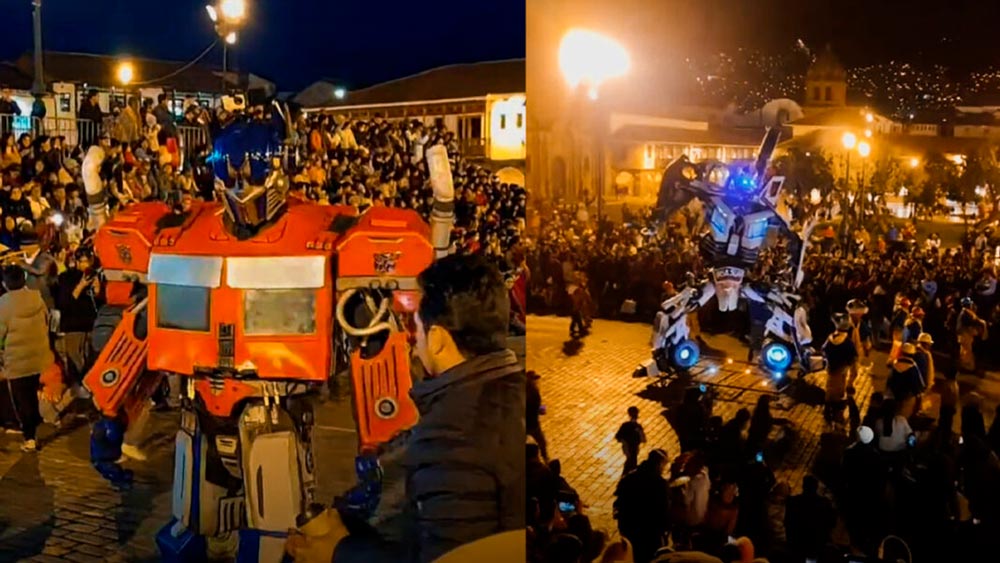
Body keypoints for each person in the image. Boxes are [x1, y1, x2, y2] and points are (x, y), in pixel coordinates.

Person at [287, 254, 525, 563]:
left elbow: (448, 557)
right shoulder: (517, 392)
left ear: (438, 339)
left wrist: (338, 552)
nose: (413, 339)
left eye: (416, 326)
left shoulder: (451, 437)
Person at [0, 264, 55, 451]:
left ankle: (30, 437)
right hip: (38, 356)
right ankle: (35, 423)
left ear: (5, 283)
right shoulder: (37, 297)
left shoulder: (3, 304)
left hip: (16, 361)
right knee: (32, 396)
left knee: (21, 400)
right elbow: (47, 321)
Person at [613, 449, 671, 563]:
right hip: (650, 532)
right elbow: (664, 509)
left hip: (630, 528)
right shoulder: (660, 483)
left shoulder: (629, 478)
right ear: (659, 464)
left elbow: (618, 502)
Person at [783, 475, 835, 559]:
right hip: (818, 544)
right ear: (816, 487)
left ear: (803, 486)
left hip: (797, 544)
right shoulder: (825, 503)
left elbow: (787, 523)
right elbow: (832, 523)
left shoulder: (793, 502)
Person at [822, 313, 858, 425]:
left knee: (829, 389)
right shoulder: (848, 343)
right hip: (841, 371)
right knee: (839, 392)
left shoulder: (830, 338)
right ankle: (837, 415)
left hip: (831, 369)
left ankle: (827, 410)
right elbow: (853, 357)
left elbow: (824, 350)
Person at [615, 406, 647, 475]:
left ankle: (626, 476)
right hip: (631, 448)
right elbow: (643, 439)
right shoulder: (635, 426)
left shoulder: (629, 425)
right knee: (631, 463)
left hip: (631, 448)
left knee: (630, 462)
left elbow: (618, 436)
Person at [527, 370, 548, 461]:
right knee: (542, 442)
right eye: (535, 380)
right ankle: (545, 457)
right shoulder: (534, 392)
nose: (537, 382)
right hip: (532, 424)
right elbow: (535, 408)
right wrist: (541, 409)